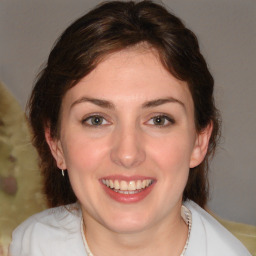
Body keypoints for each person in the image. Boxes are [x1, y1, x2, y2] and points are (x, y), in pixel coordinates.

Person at [9, 1, 251, 255]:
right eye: (96, 120)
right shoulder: (31, 243)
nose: (127, 154)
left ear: (199, 141)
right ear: (56, 144)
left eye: (159, 120)